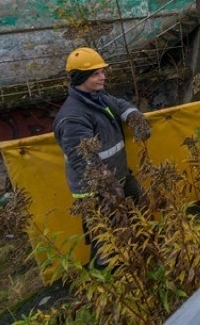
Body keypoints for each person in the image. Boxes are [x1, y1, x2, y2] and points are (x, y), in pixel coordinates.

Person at [53, 47, 152, 266]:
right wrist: (112, 191)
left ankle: (138, 260)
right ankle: (107, 276)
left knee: (135, 215)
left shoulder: (97, 98)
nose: (103, 77)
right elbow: (84, 161)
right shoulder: (73, 117)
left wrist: (135, 117)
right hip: (97, 190)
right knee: (107, 239)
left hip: (118, 178)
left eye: (102, 72)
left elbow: (119, 104)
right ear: (81, 77)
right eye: (96, 74)